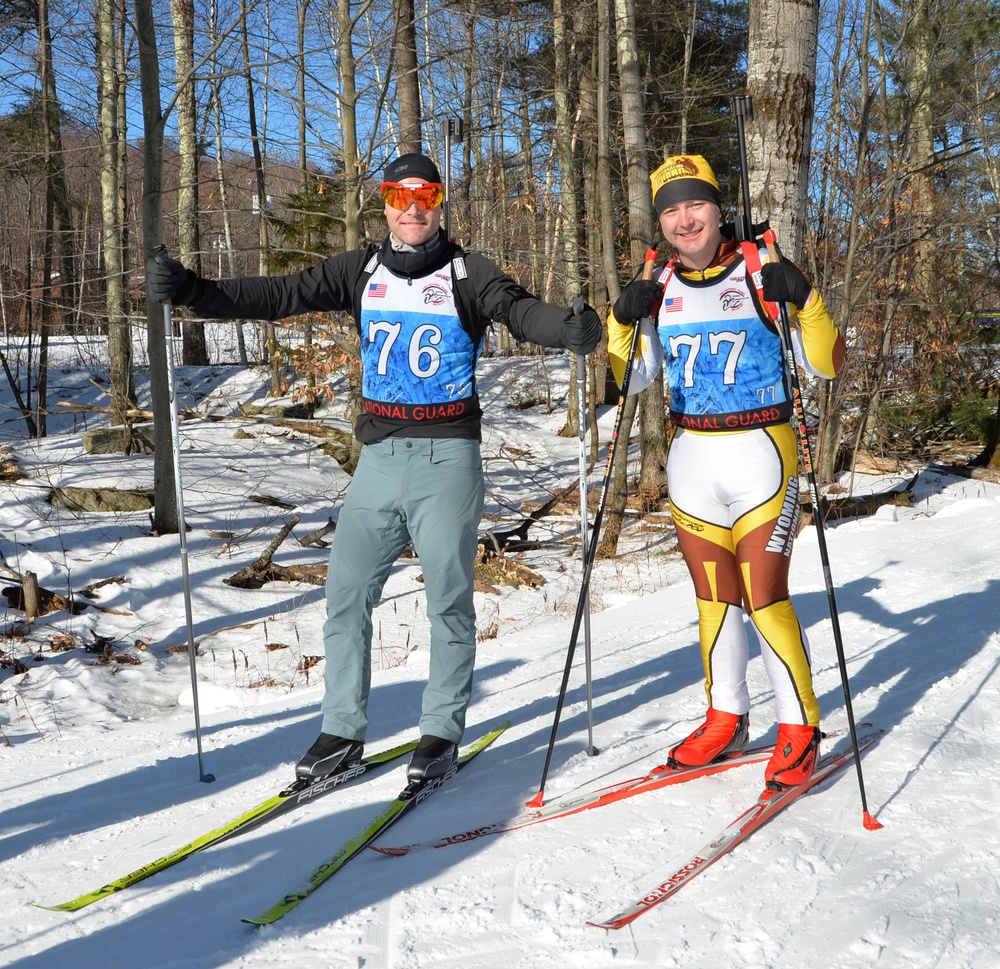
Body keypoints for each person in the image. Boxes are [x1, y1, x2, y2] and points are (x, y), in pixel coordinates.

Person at [147, 151, 602, 785]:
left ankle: (440, 732)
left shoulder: (469, 272)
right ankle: (341, 733)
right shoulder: (360, 269)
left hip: (447, 458)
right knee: (345, 597)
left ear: (439, 203)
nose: (412, 208)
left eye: (425, 196)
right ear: (383, 203)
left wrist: (569, 328)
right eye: (398, 196)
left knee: (447, 602)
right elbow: (279, 294)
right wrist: (192, 289)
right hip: (378, 462)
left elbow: (520, 311)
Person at [606, 154, 845, 789]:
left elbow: (826, 364)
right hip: (692, 457)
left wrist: (807, 299)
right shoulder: (659, 283)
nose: (685, 220)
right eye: (671, 210)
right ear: (661, 222)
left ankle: (799, 726)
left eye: (696, 205)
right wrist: (621, 321)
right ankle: (726, 716)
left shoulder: (760, 271)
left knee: (765, 598)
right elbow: (631, 381)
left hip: (762, 452)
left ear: (718, 210)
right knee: (714, 599)